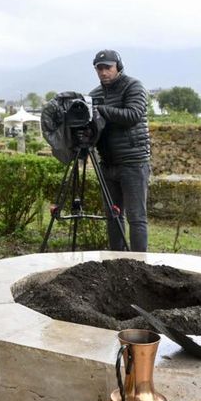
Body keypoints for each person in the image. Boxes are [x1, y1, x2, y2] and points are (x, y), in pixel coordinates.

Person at [90, 49, 151, 252]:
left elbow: (133, 114)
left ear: (118, 67)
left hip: (133, 162)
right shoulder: (95, 95)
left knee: (136, 218)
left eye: (108, 67)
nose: (103, 72)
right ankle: (116, 261)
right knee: (113, 216)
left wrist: (101, 110)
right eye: (99, 68)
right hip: (107, 163)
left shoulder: (133, 86)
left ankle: (139, 265)